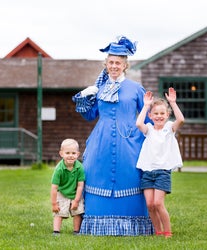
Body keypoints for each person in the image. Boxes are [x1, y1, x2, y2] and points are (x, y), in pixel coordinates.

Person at [72, 36, 154, 236]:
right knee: (96, 174)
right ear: (105, 64)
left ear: (125, 65)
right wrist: (86, 97)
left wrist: (157, 138)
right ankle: (96, 223)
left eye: (118, 63)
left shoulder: (135, 89)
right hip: (102, 141)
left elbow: (148, 118)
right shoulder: (99, 88)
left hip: (130, 141)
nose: (114, 66)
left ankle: (134, 224)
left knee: (131, 176)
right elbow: (90, 115)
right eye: (111, 62)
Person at [136, 87, 185, 238]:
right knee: (150, 205)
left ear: (167, 115)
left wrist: (173, 102)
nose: (159, 116)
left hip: (162, 172)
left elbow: (181, 120)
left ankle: (167, 232)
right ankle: (158, 231)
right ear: (150, 116)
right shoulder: (149, 129)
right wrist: (145, 106)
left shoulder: (170, 128)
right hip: (148, 172)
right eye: (156, 114)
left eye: (162, 113)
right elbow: (139, 123)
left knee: (158, 203)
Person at [50, 138, 85, 236]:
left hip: (75, 193)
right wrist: (54, 204)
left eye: (73, 153)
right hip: (62, 193)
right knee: (58, 212)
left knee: (78, 212)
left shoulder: (80, 167)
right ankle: (56, 231)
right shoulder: (59, 169)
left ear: (78, 154)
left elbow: (80, 185)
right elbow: (54, 187)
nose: (70, 155)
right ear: (61, 154)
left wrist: (76, 200)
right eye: (67, 153)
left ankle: (76, 231)